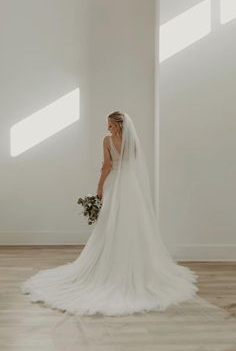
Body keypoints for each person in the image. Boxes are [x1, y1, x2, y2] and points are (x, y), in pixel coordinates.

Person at [20, 112, 236, 324]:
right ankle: (133, 266)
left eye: (111, 125)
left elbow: (106, 166)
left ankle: (112, 268)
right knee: (130, 225)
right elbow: (133, 164)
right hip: (130, 188)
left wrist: (99, 187)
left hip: (115, 184)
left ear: (118, 125)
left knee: (111, 224)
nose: (108, 129)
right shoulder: (132, 141)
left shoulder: (106, 141)